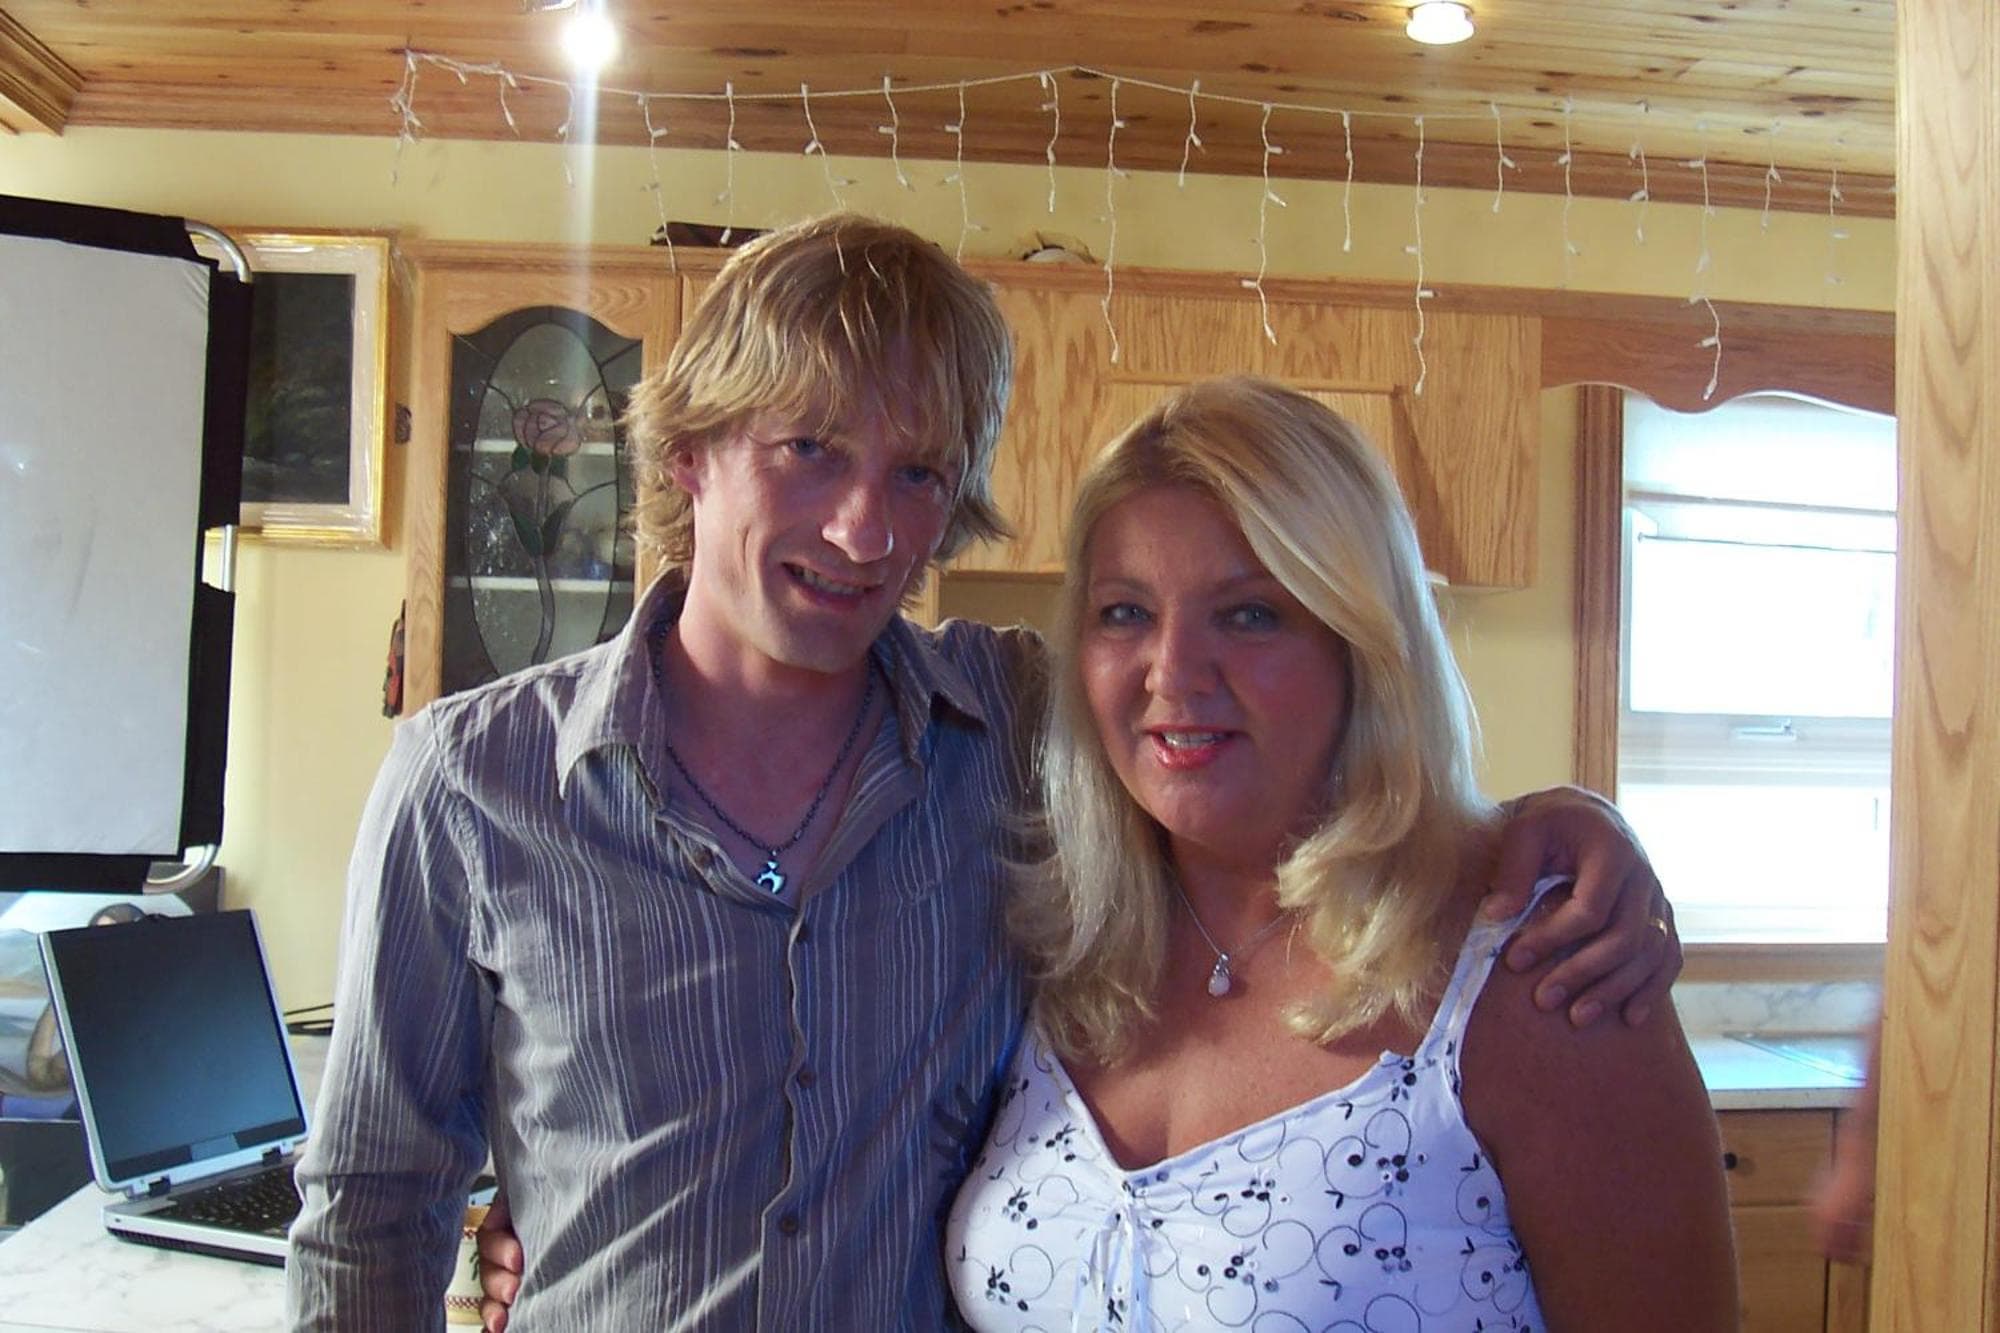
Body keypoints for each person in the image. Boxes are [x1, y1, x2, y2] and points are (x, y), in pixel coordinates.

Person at [288, 214, 1677, 1330]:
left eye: (918, 473)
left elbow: (1284, 754)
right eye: (810, 449)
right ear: (692, 450)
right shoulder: (470, 787)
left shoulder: (1019, 734)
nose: (863, 529)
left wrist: (1564, 824)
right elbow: (371, 1207)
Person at [945, 378, 1735, 1329]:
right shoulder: (1052, 939)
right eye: (1125, 612)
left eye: (1249, 614)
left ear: (1359, 641)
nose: (1173, 672)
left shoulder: (1542, 968)